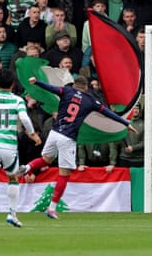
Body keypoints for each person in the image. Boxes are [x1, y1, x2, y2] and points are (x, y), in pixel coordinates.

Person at [18, 76, 138, 219]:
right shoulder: (91, 100)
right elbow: (108, 113)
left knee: (45, 160)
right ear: (86, 88)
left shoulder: (67, 91)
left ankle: (27, 168)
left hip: (54, 133)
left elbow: (51, 88)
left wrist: (37, 82)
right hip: (67, 138)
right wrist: (125, 123)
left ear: (74, 85)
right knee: (64, 174)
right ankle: (52, 208)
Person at [0, 68, 42, 227]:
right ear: (13, 84)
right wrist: (32, 134)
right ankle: (12, 214)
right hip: (9, 146)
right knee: (13, 178)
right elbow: (24, 118)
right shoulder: (17, 100)